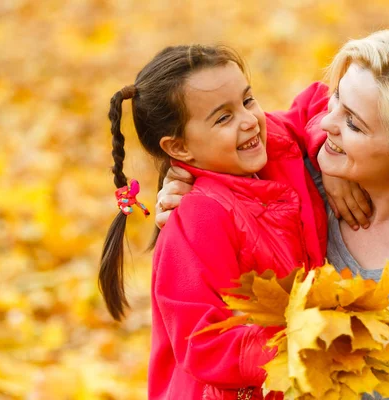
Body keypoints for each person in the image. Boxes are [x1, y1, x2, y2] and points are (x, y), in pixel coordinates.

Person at [155, 29, 389, 400]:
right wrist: (191, 188)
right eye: (336, 101)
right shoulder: (300, 176)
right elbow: (264, 132)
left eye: (354, 123)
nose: (327, 125)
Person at [98, 45, 331, 400]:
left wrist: (330, 153)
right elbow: (203, 342)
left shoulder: (276, 144)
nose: (249, 119)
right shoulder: (199, 217)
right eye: (223, 118)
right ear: (179, 149)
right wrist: (307, 343)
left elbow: (320, 101)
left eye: (248, 100)